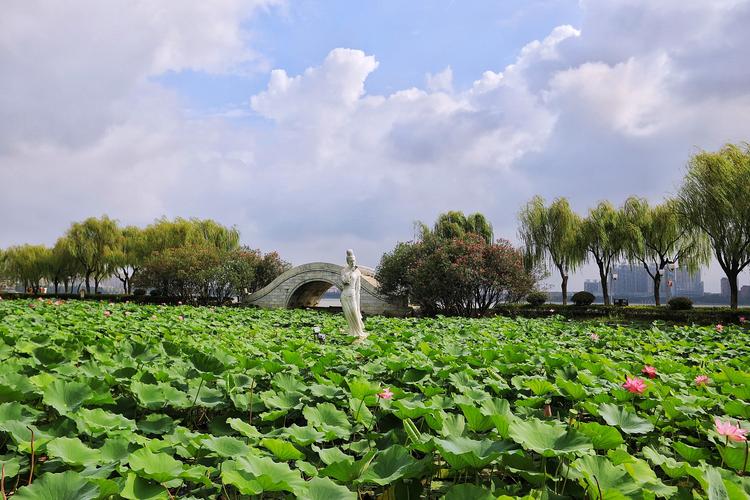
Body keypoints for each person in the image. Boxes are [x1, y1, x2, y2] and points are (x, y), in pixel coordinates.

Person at [340, 249, 366, 339]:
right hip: (344, 295)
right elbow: (344, 281)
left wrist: (358, 303)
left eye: (354, 261)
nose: (353, 263)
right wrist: (351, 271)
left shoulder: (358, 272)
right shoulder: (343, 271)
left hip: (352, 294)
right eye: (351, 261)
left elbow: (358, 289)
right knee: (348, 315)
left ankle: (359, 332)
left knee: (354, 313)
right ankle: (352, 332)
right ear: (347, 261)